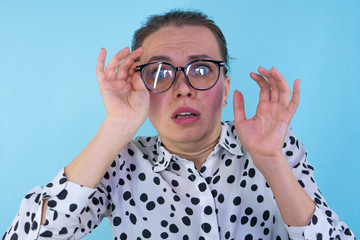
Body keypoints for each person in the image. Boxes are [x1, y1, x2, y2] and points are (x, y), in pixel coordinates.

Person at [3, 10, 355, 240]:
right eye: (158, 73)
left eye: (202, 69)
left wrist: (272, 162)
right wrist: (116, 126)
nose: (183, 87)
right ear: (137, 85)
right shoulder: (121, 162)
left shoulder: (276, 147)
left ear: (226, 85)